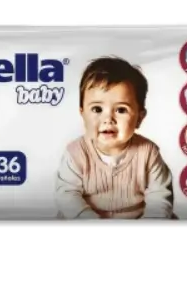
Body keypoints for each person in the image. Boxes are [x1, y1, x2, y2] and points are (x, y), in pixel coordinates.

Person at [55, 56, 174, 219]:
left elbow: (160, 197)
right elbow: (67, 196)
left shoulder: (148, 153)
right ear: (82, 113)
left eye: (121, 110)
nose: (108, 119)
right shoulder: (76, 153)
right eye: (97, 109)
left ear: (139, 118)